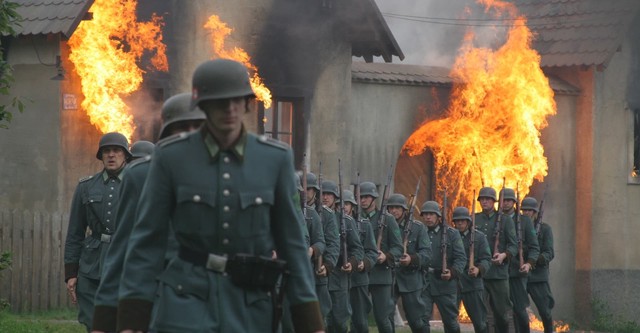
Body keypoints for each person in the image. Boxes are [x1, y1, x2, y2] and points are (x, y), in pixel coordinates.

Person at [115, 59, 324, 333]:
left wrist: (310, 321)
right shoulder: (172, 157)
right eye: (219, 102)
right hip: (184, 301)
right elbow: (146, 243)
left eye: (237, 100)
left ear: (248, 103)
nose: (229, 108)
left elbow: (293, 245)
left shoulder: (275, 159)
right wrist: (132, 320)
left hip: (250, 306)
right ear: (202, 106)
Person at [91, 93, 205, 332]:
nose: (189, 134)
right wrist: (105, 317)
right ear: (167, 134)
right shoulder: (141, 175)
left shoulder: (224, 172)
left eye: (197, 127)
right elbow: (121, 248)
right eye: (181, 128)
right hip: (160, 292)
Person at [64, 132, 132, 331]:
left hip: (126, 263)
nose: (111, 155)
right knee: (94, 324)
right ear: (101, 156)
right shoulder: (86, 186)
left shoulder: (138, 183)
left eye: (117, 150)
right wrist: (71, 273)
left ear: (125, 155)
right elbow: (75, 233)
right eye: (106, 151)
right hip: (92, 267)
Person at [359, 181, 403, 333]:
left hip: (381, 276)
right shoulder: (355, 219)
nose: (363, 200)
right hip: (360, 274)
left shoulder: (388, 219)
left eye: (366, 197)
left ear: (374, 199)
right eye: (361, 197)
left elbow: (398, 248)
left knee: (383, 319)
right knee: (358, 320)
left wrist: (386, 256)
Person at [322, 180, 364, 333]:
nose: (325, 197)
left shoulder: (345, 220)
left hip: (339, 276)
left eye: (329, 194)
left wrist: (351, 263)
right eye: (323, 194)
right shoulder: (315, 216)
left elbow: (358, 249)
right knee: (321, 323)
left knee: (339, 322)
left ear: (335, 198)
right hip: (319, 275)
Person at [420, 200, 467, 333]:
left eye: (431, 214)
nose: (428, 217)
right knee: (422, 321)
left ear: (438, 216)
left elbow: (461, 258)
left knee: (450, 322)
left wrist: (452, 272)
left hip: (445, 284)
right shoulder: (420, 231)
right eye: (425, 214)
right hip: (425, 282)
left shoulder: (452, 234)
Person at [475, 187, 517, 333]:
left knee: (502, 315)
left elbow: (514, 245)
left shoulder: (505, 220)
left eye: (488, 199)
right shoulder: (474, 218)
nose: (484, 201)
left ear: (494, 201)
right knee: (480, 315)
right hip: (479, 273)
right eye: (482, 199)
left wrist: (504, 255)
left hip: (498, 274)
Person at [387, 193, 431, 333]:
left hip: (411, 278)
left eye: (397, 208)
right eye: (391, 208)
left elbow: (427, 254)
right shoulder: (384, 226)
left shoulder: (418, 228)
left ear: (404, 210)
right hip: (390, 276)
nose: (393, 211)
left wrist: (412, 259)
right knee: (386, 318)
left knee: (416, 320)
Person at [501, 188, 540, 333]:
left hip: (517, 271)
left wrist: (529, 263)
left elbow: (535, 247)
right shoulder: (496, 220)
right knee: (499, 313)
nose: (505, 203)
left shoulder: (524, 222)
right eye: (503, 200)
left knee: (520, 312)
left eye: (509, 200)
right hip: (498, 272)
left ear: (514, 202)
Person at [306, 171, 340, 325]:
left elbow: (333, 244)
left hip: (318, 272)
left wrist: (327, 266)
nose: (305, 192)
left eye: (309, 189)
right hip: (298, 273)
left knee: (319, 319)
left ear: (314, 192)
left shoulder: (326, 214)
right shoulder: (295, 211)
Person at [343, 189, 378, 333]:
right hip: (339, 278)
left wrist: (364, 262)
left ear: (352, 206)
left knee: (360, 323)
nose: (343, 207)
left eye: (347, 204)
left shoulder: (364, 224)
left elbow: (372, 252)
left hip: (358, 278)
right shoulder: (331, 222)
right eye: (340, 204)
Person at [453, 206, 491, 333]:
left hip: (473, 283)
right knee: (451, 322)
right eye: (457, 221)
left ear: (468, 222)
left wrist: (478, 269)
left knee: (480, 322)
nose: (459, 223)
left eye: (462, 221)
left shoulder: (479, 237)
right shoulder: (450, 236)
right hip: (454, 283)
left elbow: (486, 258)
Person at [522, 196, 555, 333]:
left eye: (530, 210)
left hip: (538, 277)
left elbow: (549, 253)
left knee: (545, 311)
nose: (527, 213)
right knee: (519, 312)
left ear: (535, 212)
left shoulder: (545, 229)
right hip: (521, 275)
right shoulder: (518, 228)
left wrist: (534, 260)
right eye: (524, 210)